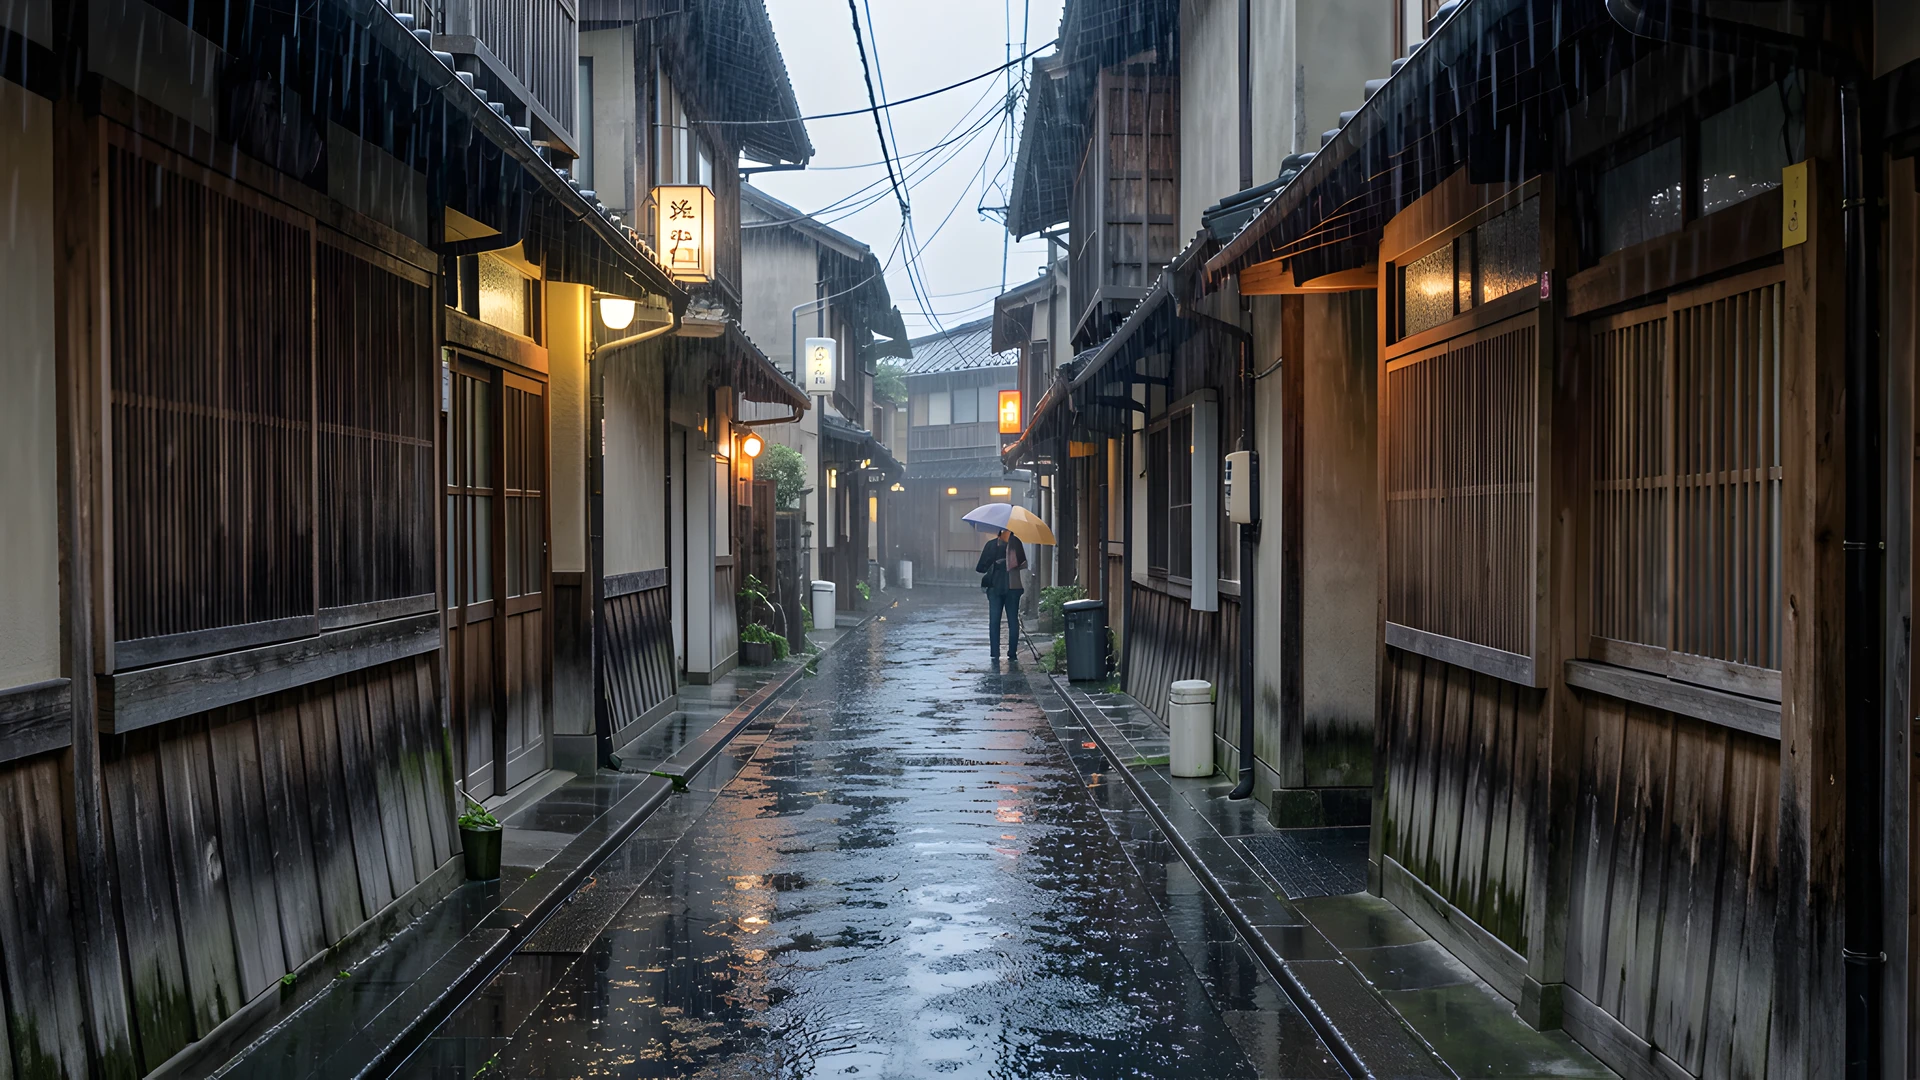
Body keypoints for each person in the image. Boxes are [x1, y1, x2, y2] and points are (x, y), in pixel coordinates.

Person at [976, 528, 1028, 660]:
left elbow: (980, 568)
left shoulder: (991, 545)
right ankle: (1012, 653)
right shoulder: (1016, 544)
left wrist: (993, 563)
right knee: (1013, 620)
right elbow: (1023, 564)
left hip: (994, 587)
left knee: (994, 621)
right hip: (1013, 587)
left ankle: (995, 653)